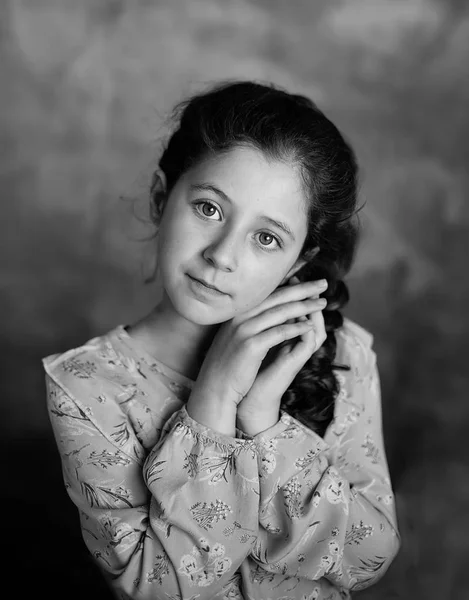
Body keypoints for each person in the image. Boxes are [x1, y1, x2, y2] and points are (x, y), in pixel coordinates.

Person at [42, 80, 400, 600]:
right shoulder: (85, 388)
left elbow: (368, 558)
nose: (223, 255)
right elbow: (159, 589)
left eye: (267, 238)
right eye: (209, 209)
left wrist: (263, 420)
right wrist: (213, 398)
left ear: (298, 260)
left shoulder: (342, 355)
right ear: (162, 198)